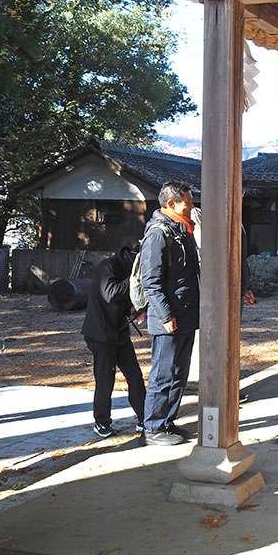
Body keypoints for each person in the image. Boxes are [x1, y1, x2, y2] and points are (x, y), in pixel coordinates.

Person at [141, 181, 201, 446]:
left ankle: (168, 422)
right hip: (168, 318)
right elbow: (150, 282)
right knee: (163, 374)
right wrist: (166, 316)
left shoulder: (183, 230)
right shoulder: (158, 233)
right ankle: (153, 427)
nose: (190, 210)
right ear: (170, 205)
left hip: (186, 313)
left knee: (180, 372)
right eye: (186, 206)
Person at [81, 244, 146, 438]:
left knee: (134, 375)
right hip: (100, 334)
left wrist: (137, 308)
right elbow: (111, 294)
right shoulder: (107, 267)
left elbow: (128, 298)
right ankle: (101, 421)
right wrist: (134, 281)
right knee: (105, 379)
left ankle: (144, 417)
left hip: (119, 332)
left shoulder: (127, 270)